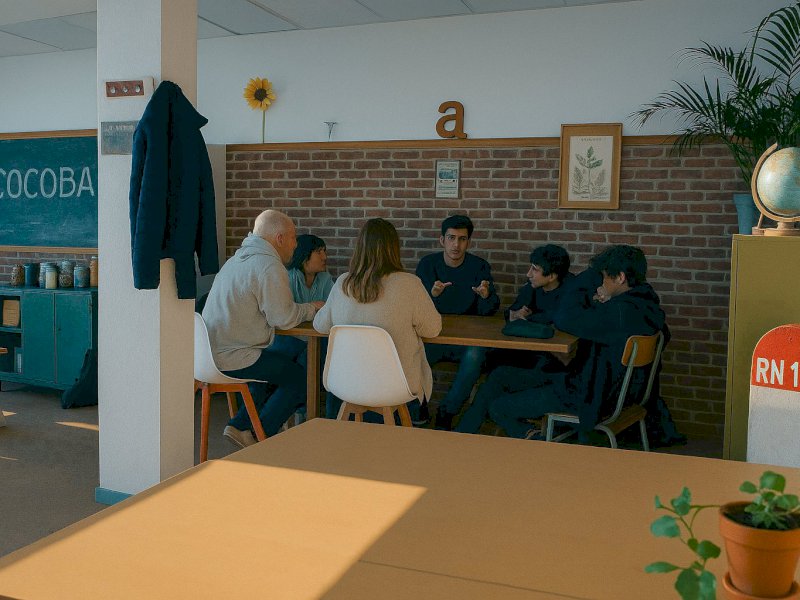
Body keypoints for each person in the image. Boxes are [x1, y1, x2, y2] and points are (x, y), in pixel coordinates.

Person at [467, 245, 669, 440]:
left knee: (498, 407)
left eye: (604, 276)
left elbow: (564, 318)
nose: (600, 282)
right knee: (501, 375)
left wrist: (589, 275)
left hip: (586, 396)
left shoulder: (619, 313)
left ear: (620, 277)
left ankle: (536, 439)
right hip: (608, 391)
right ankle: (465, 434)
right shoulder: (645, 305)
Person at [202, 210, 324, 448]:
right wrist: (312, 308)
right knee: (301, 380)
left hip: (208, 357)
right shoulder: (268, 265)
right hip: (235, 357)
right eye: (293, 238)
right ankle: (260, 435)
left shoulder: (235, 261)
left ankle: (239, 425)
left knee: (284, 355)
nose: (295, 244)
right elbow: (284, 318)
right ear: (279, 238)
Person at [313, 218, 442, 421]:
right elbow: (432, 329)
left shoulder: (343, 283)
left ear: (360, 247)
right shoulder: (409, 284)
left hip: (347, 384)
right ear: (394, 248)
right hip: (394, 387)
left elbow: (320, 326)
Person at [456, 244, 572, 434]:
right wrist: (515, 315)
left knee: (496, 381)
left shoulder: (571, 290)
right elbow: (512, 312)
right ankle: (465, 432)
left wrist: (530, 319)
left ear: (552, 276)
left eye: (534, 269)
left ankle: (465, 433)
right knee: (489, 365)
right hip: (526, 356)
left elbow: (562, 319)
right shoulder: (532, 286)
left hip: (554, 367)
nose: (528, 274)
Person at [415, 215, 499, 430]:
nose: (456, 245)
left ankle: (447, 411)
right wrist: (432, 295)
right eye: (451, 238)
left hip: (466, 341)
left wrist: (485, 296)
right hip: (433, 337)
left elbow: (489, 312)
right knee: (412, 352)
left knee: (476, 355)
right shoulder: (428, 265)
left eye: (462, 239)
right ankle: (418, 407)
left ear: (468, 242)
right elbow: (415, 309)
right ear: (442, 240)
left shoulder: (479, 266)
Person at [270, 234, 334, 365]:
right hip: (287, 339)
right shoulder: (287, 278)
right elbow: (284, 316)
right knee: (308, 355)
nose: (324, 257)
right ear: (304, 257)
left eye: (324, 252)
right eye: (319, 252)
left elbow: (332, 310)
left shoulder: (325, 279)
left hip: (315, 338)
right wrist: (314, 307)